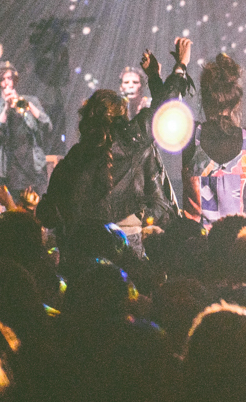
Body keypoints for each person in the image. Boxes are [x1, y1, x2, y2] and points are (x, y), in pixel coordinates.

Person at [38, 38, 192, 256]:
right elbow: (166, 109)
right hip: (127, 253)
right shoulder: (133, 141)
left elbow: (46, 213)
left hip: (80, 257)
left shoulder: (74, 157)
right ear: (122, 116)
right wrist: (180, 66)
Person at [181, 52, 246, 227]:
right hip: (239, 249)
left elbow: (165, 108)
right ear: (236, 102)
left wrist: (180, 67)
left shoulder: (190, 135)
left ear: (204, 99)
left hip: (196, 249)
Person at [0, 61, 52, 196]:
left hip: (33, 166)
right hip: (9, 169)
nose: (7, 83)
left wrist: (27, 105)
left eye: (9, 78)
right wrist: (6, 108)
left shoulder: (30, 100)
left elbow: (47, 126)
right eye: (3, 79)